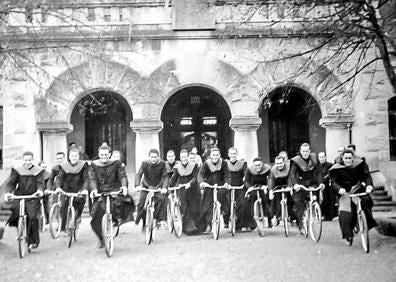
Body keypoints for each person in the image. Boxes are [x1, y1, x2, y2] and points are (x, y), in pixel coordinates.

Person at [329, 149, 377, 245]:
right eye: (346, 158)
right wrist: (339, 189)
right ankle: (348, 235)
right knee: (345, 214)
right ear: (342, 158)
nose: (348, 160)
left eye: (350, 158)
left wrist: (369, 185)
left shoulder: (360, 164)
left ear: (353, 158)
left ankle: (364, 223)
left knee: (367, 201)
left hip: (357, 188)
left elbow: (366, 176)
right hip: (345, 192)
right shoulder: (336, 168)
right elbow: (334, 182)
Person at [89, 143, 128, 248]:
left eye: (106, 154)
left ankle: (115, 221)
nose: (103, 157)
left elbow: (122, 176)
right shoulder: (94, 164)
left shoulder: (116, 163)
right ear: (98, 154)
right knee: (95, 219)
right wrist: (94, 190)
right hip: (101, 191)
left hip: (113, 190)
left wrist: (124, 186)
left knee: (116, 207)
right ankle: (102, 239)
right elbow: (92, 178)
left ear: (109, 154)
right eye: (101, 154)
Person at [4, 151, 44, 249]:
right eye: (26, 160)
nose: (27, 162)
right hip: (20, 195)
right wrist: (8, 192)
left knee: (33, 217)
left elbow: (40, 182)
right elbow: (11, 183)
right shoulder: (18, 170)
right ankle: (20, 229)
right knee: (15, 213)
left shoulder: (38, 171)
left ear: (33, 160)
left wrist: (40, 191)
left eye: (29, 160)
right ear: (23, 160)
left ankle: (33, 240)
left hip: (32, 196)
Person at [288, 143, 324, 235]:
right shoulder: (296, 160)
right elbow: (292, 174)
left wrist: (321, 183)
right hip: (301, 184)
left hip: (312, 182)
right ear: (300, 152)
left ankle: (315, 212)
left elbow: (319, 172)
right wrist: (295, 184)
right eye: (303, 151)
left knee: (316, 196)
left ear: (310, 151)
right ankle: (301, 225)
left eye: (307, 151)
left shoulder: (314, 158)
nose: (305, 153)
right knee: (299, 204)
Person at [54, 148, 89, 231]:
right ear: (69, 157)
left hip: (79, 190)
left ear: (78, 157)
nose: (74, 157)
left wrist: (84, 189)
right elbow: (59, 178)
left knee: (80, 203)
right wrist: (58, 187)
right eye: (72, 156)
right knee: (63, 207)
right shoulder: (64, 166)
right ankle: (63, 227)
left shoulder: (83, 166)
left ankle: (78, 218)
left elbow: (86, 179)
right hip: (66, 190)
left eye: (76, 156)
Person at [198, 147, 231, 233]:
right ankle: (209, 224)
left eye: (217, 155)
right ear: (210, 156)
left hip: (220, 185)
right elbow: (201, 174)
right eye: (213, 155)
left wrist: (227, 183)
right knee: (206, 205)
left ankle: (225, 215)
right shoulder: (206, 163)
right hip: (209, 186)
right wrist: (202, 182)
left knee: (225, 200)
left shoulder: (223, 163)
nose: (215, 157)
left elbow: (227, 174)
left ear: (219, 155)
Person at [169, 150, 201, 234]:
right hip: (182, 190)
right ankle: (186, 228)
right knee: (184, 209)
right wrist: (169, 186)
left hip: (193, 190)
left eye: (185, 157)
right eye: (182, 157)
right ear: (180, 158)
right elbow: (173, 179)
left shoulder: (194, 166)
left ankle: (195, 227)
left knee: (194, 209)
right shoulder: (177, 167)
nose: (184, 159)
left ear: (188, 157)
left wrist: (190, 183)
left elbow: (196, 177)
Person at [135, 149, 168, 229]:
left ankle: (157, 219)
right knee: (141, 204)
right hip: (146, 186)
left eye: (155, 157)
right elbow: (139, 174)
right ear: (149, 157)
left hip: (157, 187)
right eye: (151, 157)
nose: (153, 159)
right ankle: (141, 221)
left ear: (158, 157)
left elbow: (165, 176)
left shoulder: (162, 164)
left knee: (162, 199)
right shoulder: (144, 163)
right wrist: (137, 185)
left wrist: (164, 187)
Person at [225, 147, 249, 231]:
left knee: (242, 204)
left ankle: (239, 224)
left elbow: (246, 174)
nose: (232, 155)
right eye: (231, 154)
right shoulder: (225, 163)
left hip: (239, 186)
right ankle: (226, 221)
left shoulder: (242, 163)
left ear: (236, 154)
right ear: (228, 154)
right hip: (228, 187)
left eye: (234, 153)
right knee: (226, 203)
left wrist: (244, 180)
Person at [244, 157, 272, 229]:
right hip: (253, 187)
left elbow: (270, 179)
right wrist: (249, 187)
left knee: (266, 200)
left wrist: (267, 187)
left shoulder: (267, 169)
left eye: (259, 165)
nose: (257, 167)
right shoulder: (249, 170)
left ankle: (269, 219)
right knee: (251, 200)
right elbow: (246, 180)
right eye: (256, 165)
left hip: (264, 187)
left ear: (262, 164)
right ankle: (253, 222)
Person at [110, 149, 135, 224]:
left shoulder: (121, 166)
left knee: (126, 200)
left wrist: (124, 187)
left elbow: (123, 178)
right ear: (111, 157)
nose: (116, 158)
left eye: (118, 157)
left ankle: (120, 218)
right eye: (114, 156)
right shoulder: (107, 165)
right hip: (108, 188)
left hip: (118, 188)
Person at [268, 155, 293, 226]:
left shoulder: (289, 167)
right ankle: (275, 216)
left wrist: (290, 186)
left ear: (284, 162)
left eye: (281, 163)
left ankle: (293, 217)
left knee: (291, 199)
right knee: (275, 200)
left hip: (287, 184)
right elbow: (271, 180)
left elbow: (291, 177)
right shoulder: (273, 170)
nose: (279, 165)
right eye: (277, 163)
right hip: (277, 185)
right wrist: (270, 190)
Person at [318, 152, 337, 221]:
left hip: (329, 184)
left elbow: (330, 174)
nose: (322, 159)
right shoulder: (317, 166)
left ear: (325, 157)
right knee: (323, 200)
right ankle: (324, 215)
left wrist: (324, 179)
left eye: (323, 157)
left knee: (331, 199)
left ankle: (331, 216)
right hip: (321, 185)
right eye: (320, 157)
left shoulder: (330, 165)